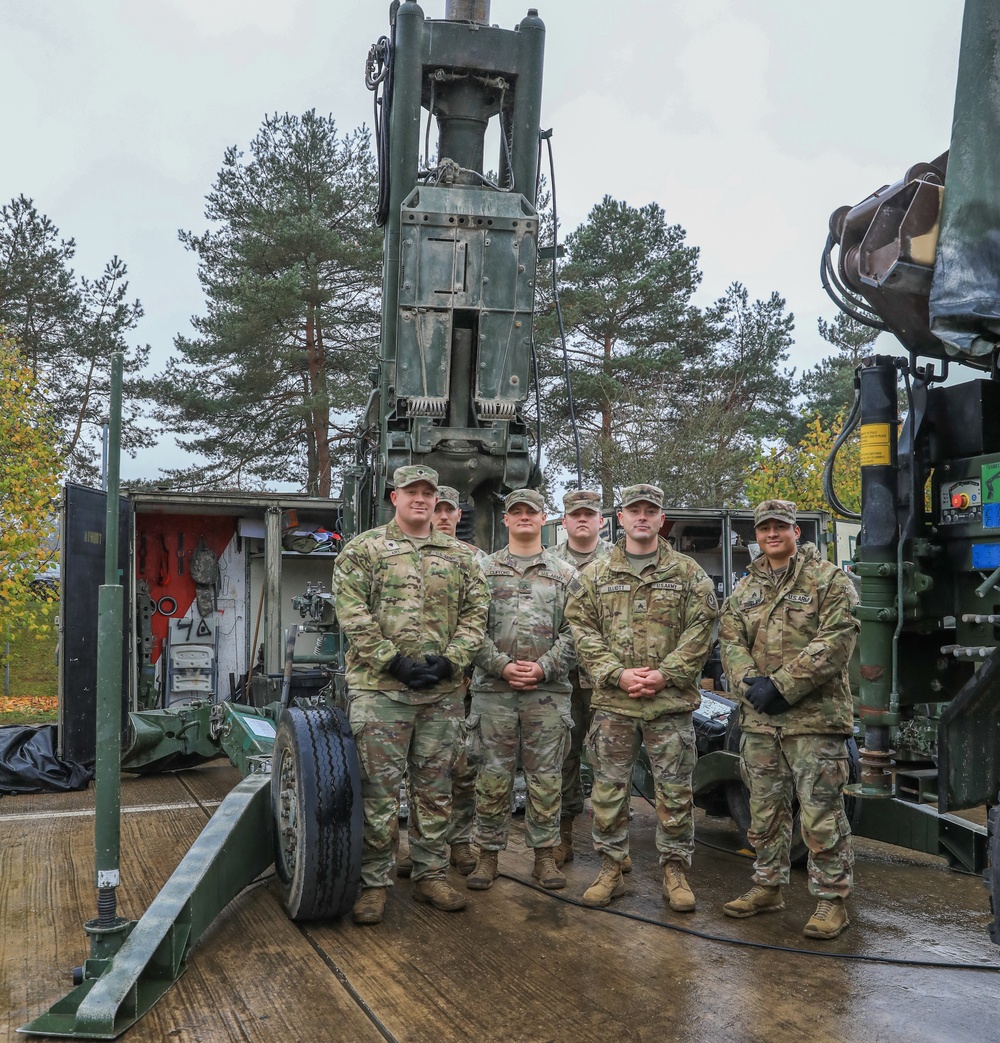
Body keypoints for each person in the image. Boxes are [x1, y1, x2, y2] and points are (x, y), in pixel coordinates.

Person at [334, 465, 489, 925]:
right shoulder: (364, 550)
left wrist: (452, 661)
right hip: (380, 691)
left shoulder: (461, 557)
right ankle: (375, 883)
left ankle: (429, 875)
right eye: (412, 492)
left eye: (428, 492)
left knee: (435, 791)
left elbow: (476, 615)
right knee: (379, 794)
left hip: (439, 696)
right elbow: (352, 613)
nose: (420, 499)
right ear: (393, 497)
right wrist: (393, 662)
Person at [565, 484, 718, 911]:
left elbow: (701, 629)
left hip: (667, 704)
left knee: (674, 792)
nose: (643, 517)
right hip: (615, 702)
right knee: (609, 791)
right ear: (621, 518)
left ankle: (674, 871)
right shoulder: (596, 575)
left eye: (651, 510)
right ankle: (611, 867)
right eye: (635, 510)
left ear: (661, 518)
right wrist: (617, 674)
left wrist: (665, 675)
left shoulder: (687, 573)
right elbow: (581, 630)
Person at [719, 499, 859, 939]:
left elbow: (837, 640)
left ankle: (832, 901)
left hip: (814, 721)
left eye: (781, 526)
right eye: (764, 528)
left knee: (820, 814)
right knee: (764, 811)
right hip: (760, 721)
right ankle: (767, 886)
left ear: (797, 532)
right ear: (757, 535)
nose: (772, 534)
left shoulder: (829, 581)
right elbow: (730, 640)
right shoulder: (745, 589)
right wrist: (750, 685)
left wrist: (782, 685)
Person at [465, 488, 578, 891]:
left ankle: (545, 857)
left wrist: (546, 667)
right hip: (494, 691)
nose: (524, 517)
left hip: (547, 694)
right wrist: (502, 665)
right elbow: (468, 628)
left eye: (531, 511)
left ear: (543, 518)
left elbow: (578, 631)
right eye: (517, 512)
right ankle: (487, 857)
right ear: (506, 520)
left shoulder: (566, 574)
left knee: (546, 777)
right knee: (491, 776)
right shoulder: (483, 570)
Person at [397, 485, 480, 879]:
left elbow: (483, 621)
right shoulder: (402, 554)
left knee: (461, 770)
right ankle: (420, 847)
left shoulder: (475, 560)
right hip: (417, 686)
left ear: (459, 515)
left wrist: (456, 663)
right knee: (423, 771)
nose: (443, 516)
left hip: (467, 683)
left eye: (450, 509)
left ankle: (459, 840)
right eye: (438, 508)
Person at [548, 489, 614, 868]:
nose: (583, 520)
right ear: (565, 521)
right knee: (564, 755)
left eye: (590, 514)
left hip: (606, 677)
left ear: (601, 520)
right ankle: (564, 835)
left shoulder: (616, 561)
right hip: (563, 676)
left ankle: (612, 844)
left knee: (610, 758)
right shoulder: (550, 561)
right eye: (576, 515)